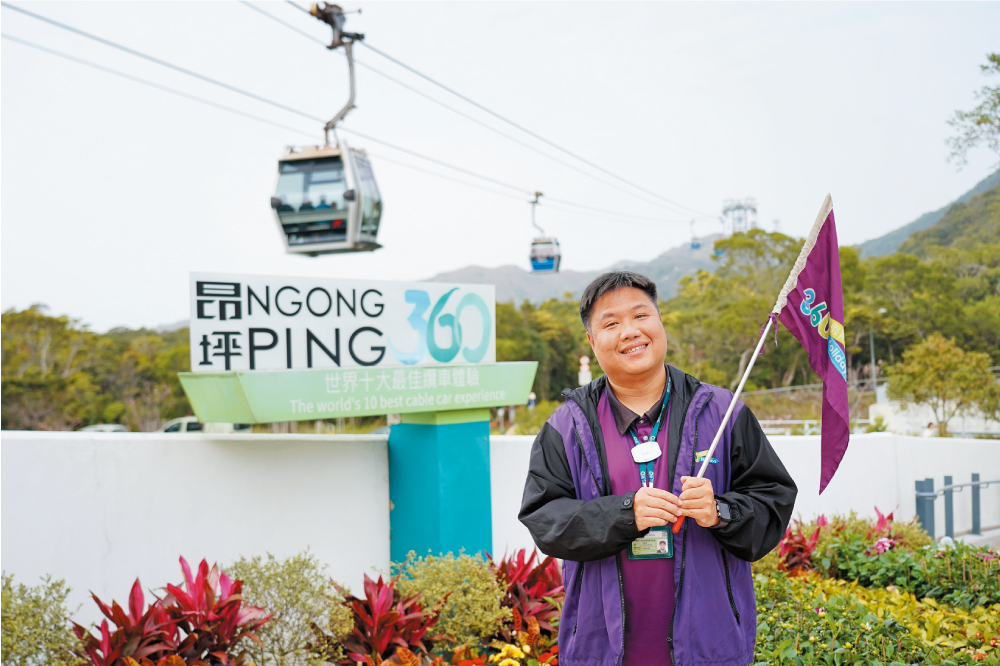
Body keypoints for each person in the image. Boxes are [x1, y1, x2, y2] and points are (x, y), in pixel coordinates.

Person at [519, 271, 797, 666]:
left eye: (640, 316)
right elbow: (544, 519)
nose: (630, 332)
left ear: (659, 322)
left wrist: (721, 511)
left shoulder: (723, 413)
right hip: (601, 649)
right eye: (611, 323)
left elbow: (773, 504)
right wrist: (623, 514)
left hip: (709, 647)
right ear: (592, 341)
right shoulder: (566, 428)